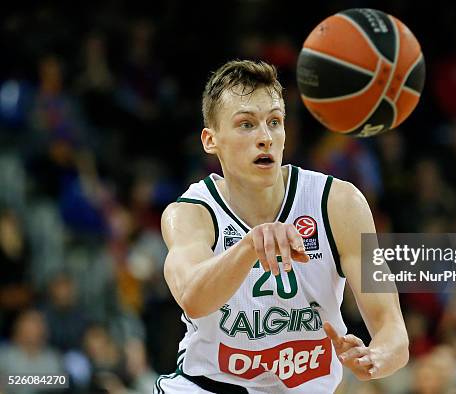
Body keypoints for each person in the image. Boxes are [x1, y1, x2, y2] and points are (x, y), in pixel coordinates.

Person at [156, 60, 409, 393]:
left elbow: (393, 331)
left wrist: (375, 357)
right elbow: (193, 298)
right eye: (246, 124)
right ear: (210, 140)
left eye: (274, 122)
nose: (265, 138)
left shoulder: (338, 203)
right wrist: (249, 246)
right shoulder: (190, 213)